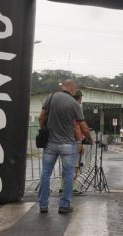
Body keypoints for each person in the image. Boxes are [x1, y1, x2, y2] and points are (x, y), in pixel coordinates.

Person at [37, 80, 93, 214]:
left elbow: (40, 118)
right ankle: (64, 205)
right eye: (75, 89)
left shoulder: (50, 98)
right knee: (68, 174)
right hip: (68, 144)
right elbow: (83, 126)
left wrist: (45, 129)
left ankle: (43, 205)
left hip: (50, 143)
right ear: (72, 88)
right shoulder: (74, 104)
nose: (75, 91)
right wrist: (89, 139)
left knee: (45, 173)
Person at [59, 90, 85, 195]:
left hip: (64, 140)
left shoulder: (65, 108)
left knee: (66, 166)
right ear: (79, 98)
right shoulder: (76, 108)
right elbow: (77, 126)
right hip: (74, 141)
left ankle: (62, 186)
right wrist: (80, 143)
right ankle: (72, 187)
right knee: (75, 166)